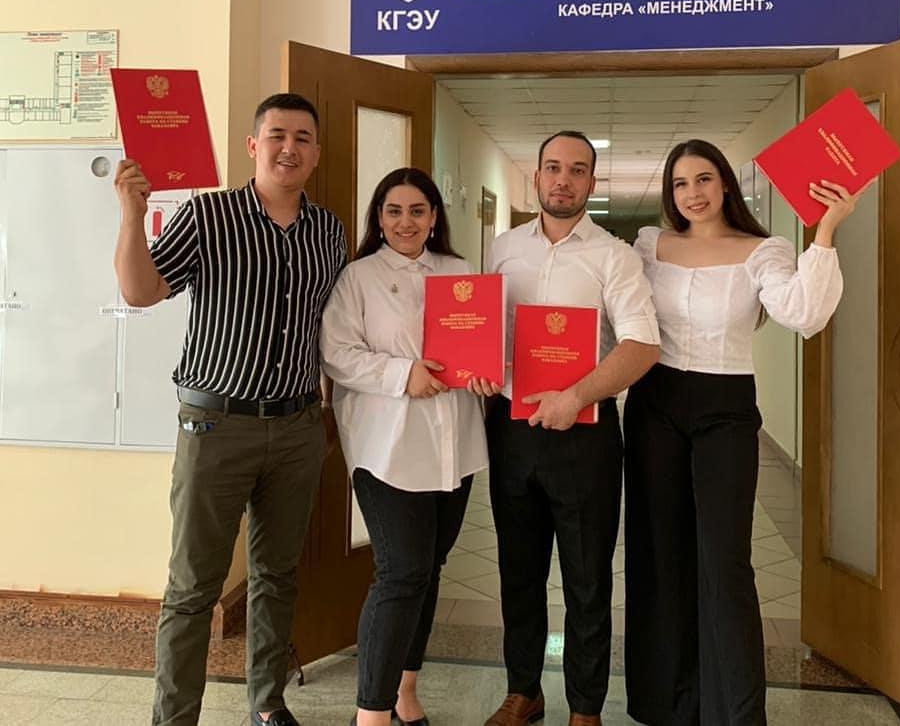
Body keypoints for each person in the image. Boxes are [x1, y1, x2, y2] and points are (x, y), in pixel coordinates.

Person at [113, 92, 346, 726]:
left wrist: (329, 415)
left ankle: (267, 705)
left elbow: (334, 328)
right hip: (216, 424)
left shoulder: (329, 232)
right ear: (253, 146)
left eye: (302, 138)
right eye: (277, 135)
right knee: (194, 587)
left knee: (277, 575)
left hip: (298, 426)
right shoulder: (207, 215)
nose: (289, 148)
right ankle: (175, 718)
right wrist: (132, 216)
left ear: (316, 153)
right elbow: (140, 290)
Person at [623, 138, 862, 726]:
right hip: (653, 403)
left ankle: (736, 712)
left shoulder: (762, 251)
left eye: (703, 179)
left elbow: (804, 314)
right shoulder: (649, 245)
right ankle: (667, 704)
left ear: (725, 183)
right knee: (660, 552)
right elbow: (615, 311)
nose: (693, 193)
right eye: (680, 183)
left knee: (725, 560)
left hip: (725, 407)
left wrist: (827, 231)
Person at [483, 131, 661, 726]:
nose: (563, 180)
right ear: (536, 176)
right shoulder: (503, 249)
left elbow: (642, 346)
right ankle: (523, 691)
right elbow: (482, 331)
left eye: (577, 170)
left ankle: (585, 708)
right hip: (512, 431)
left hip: (586, 434)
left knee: (587, 579)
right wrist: (475, 367)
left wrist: (576, 396)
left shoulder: (614, 256)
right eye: (553, 168)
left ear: (591, 182)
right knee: (518, 571)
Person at [320, 167, 492, 726]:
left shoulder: (459, 272)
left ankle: (405, 691)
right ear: (379, 218)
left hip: (455, 449)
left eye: (417, 211)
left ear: (434, 216)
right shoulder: (359, 277)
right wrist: (403, 374)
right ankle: (369, 712)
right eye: (393, 211)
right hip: (388, 450)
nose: (405, 222)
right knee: (400, 573)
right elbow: (337, 354)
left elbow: (483, 346)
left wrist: (487, 372)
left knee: (429, 569)